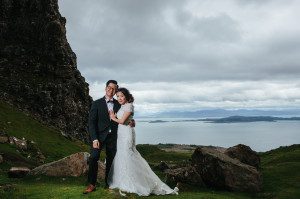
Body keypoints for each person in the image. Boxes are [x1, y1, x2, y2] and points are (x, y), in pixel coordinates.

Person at [108, 87, 179, 196]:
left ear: (126, 96)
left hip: (127, 133)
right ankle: (123, 181)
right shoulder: (122, 106)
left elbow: (122, 121)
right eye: (118, 96)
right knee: (122, 156)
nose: (120, 98)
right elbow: (128, 120)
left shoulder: (129, 105)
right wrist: (130, 120)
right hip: (121, 134)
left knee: (129, 155)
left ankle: (137, 183)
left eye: (122, 96)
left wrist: (113, 117)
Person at [84, 80, 134, 194]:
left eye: (114, 89)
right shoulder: (96, 103)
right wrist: (94, 139)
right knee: (93, 157)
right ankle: (91, 184)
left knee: (111, 160)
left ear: (116, 90)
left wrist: (131, 121)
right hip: (99, 137)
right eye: (109, 88)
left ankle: (108, 183)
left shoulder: (118, 103)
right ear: (106, 88)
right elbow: (91, 123)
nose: (111, 90)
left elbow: (125, 115)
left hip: (114, 137)